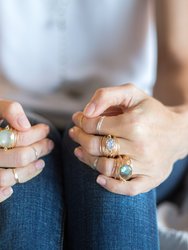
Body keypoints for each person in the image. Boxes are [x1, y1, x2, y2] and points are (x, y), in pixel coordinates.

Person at [0, 0, 188, 249]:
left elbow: (178, 61)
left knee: (113, 165)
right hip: (12, 111)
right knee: (17, 167)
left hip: (133, 117)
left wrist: (177, 126)